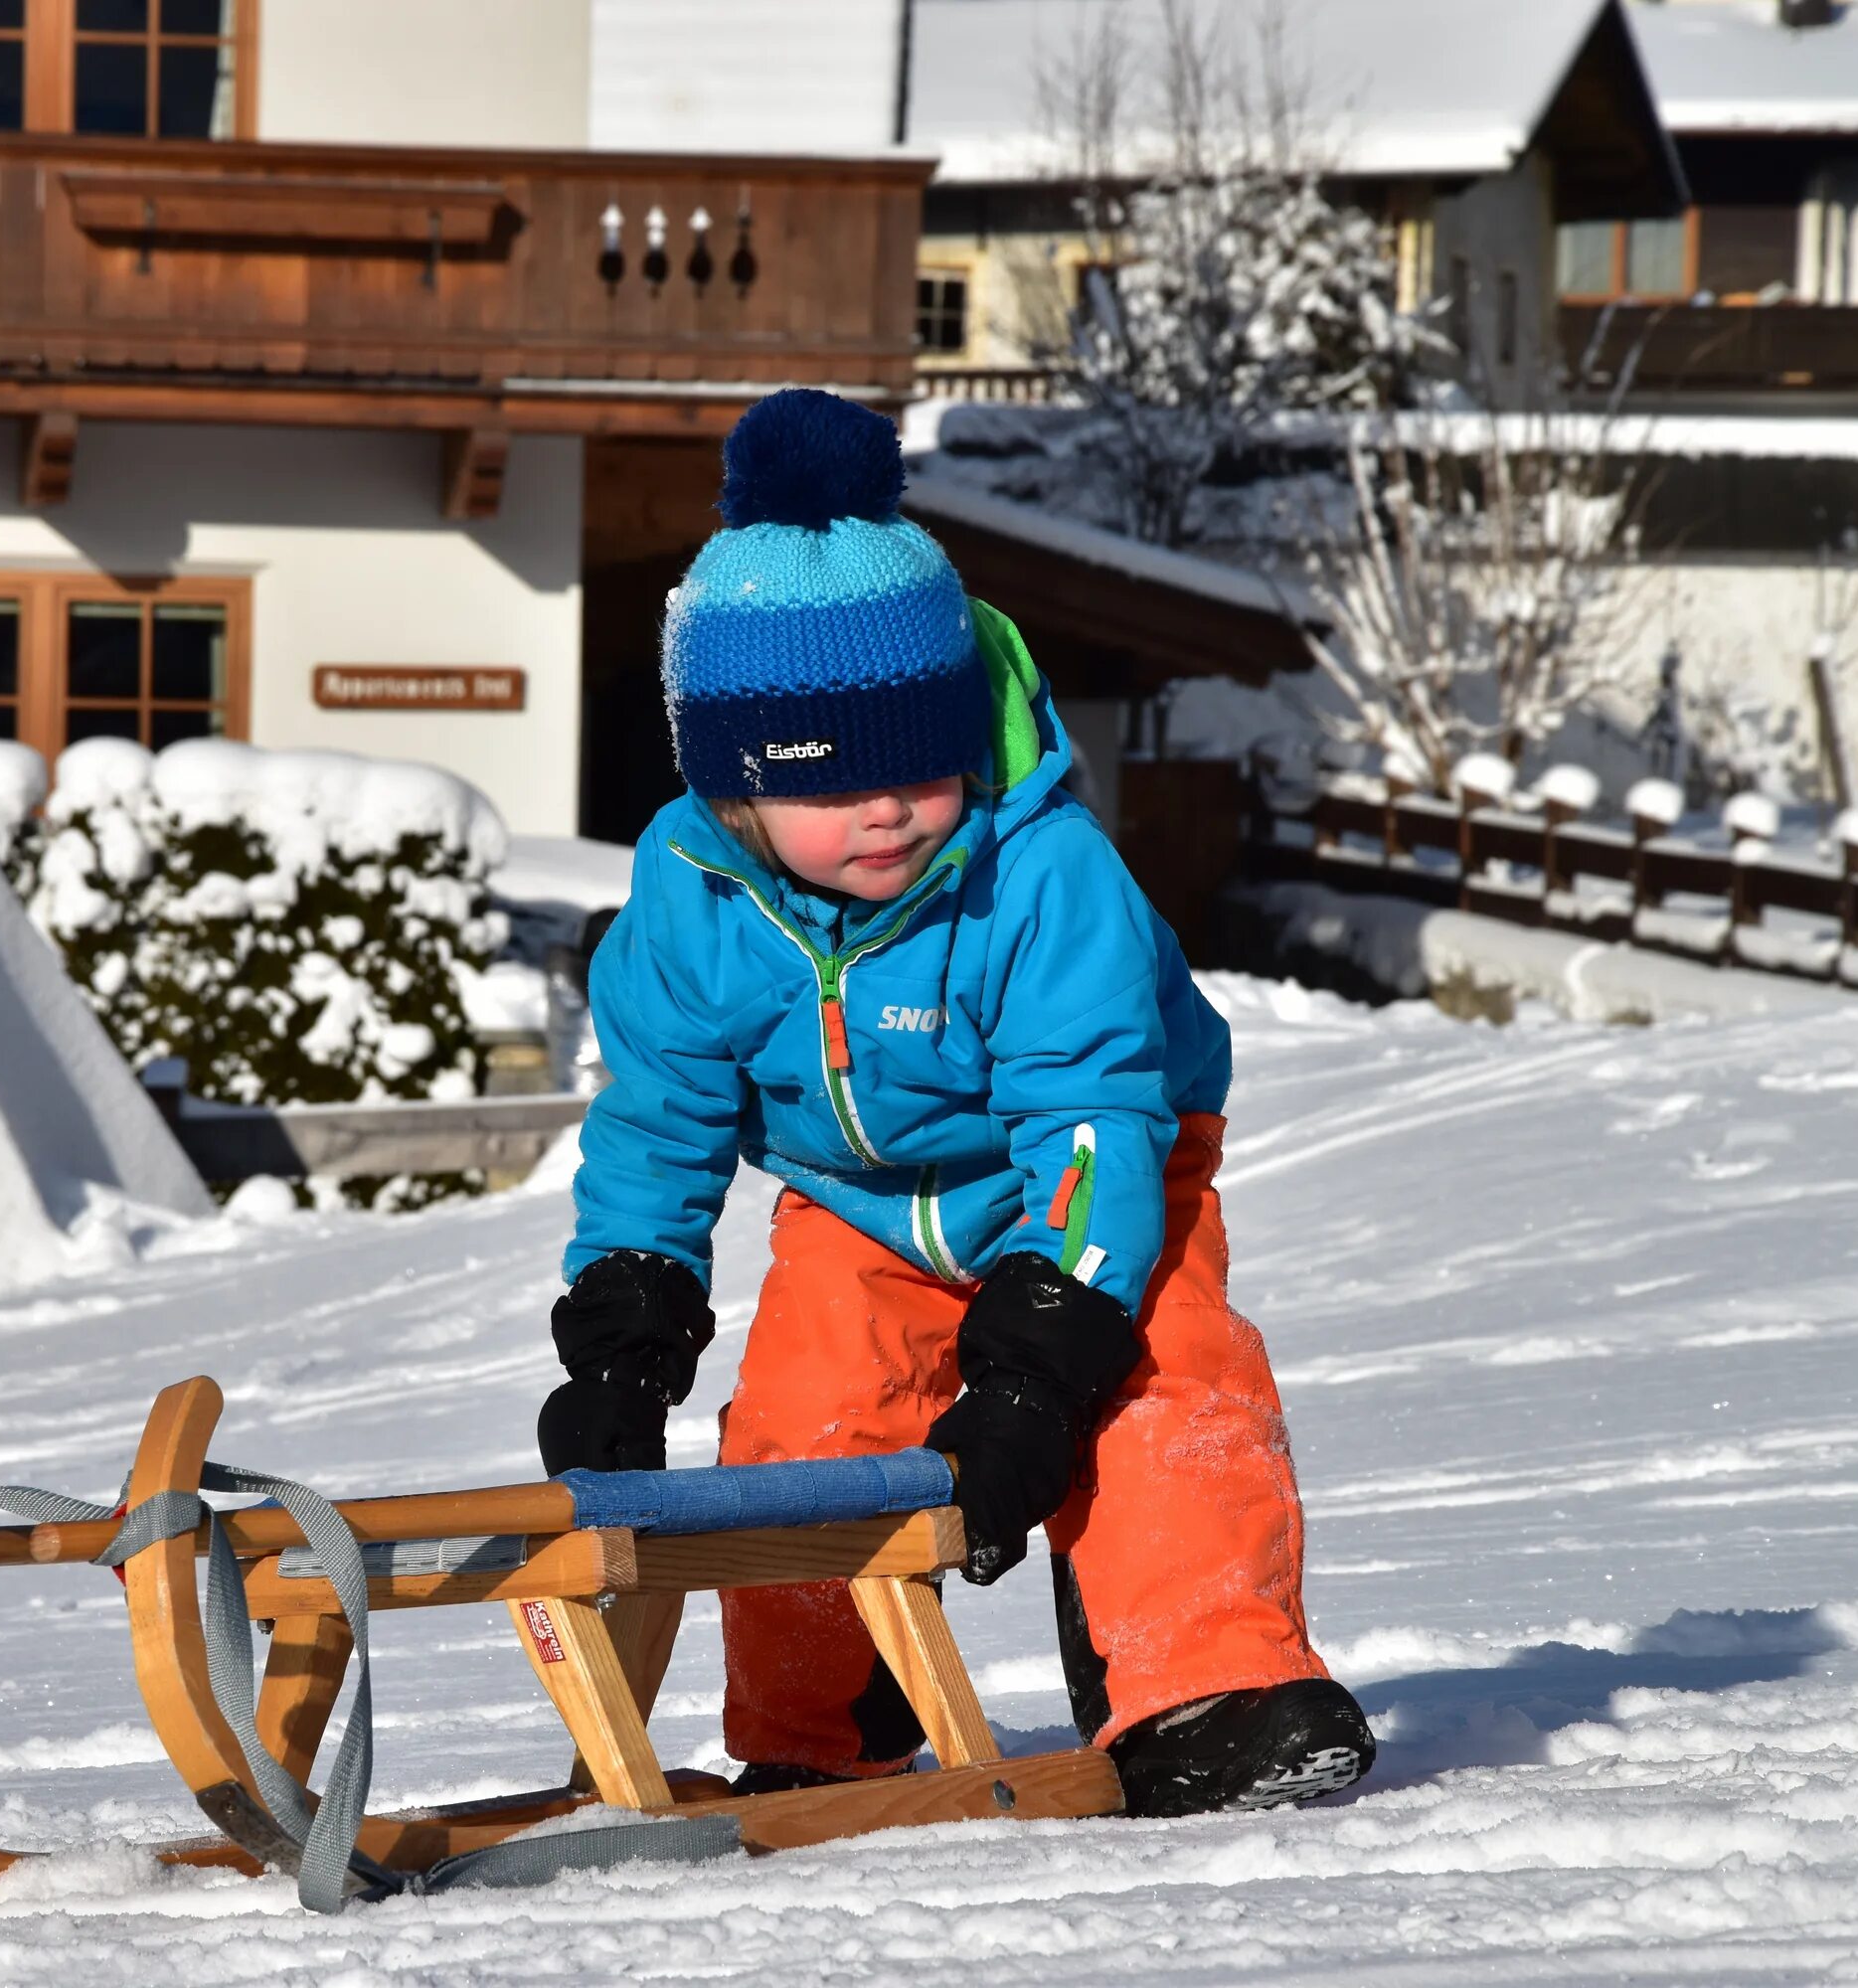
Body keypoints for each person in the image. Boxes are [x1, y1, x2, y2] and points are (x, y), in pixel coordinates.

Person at [540, 388, 1373, 1818]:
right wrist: (626, 1337)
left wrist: (1036, 1369)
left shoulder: (1042, 876)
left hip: (1101, 1180)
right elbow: (658, 1122)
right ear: (736, 792)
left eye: (919, 765)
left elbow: (1096, 1119)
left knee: (1162, 1390)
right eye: (830, 783)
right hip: (860, 1208)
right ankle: (819, 1734)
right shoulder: (692, 896)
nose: (887, 812)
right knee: (802, 1437)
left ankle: (1212, 1689)